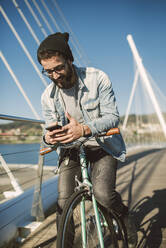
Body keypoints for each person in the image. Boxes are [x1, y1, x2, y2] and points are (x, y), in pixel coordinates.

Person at [37, 32, 137, 247]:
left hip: (102, 145)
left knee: (102, 194)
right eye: (48, 72)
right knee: (63, 203)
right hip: (71, 149)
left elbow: (112, 117)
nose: (54, 75)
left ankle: (124, 216)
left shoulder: (97, 78)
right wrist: (48, 137)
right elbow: (49, 133)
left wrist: (84, 129)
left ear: (69, 60)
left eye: (58, 68)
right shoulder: (47, 96)